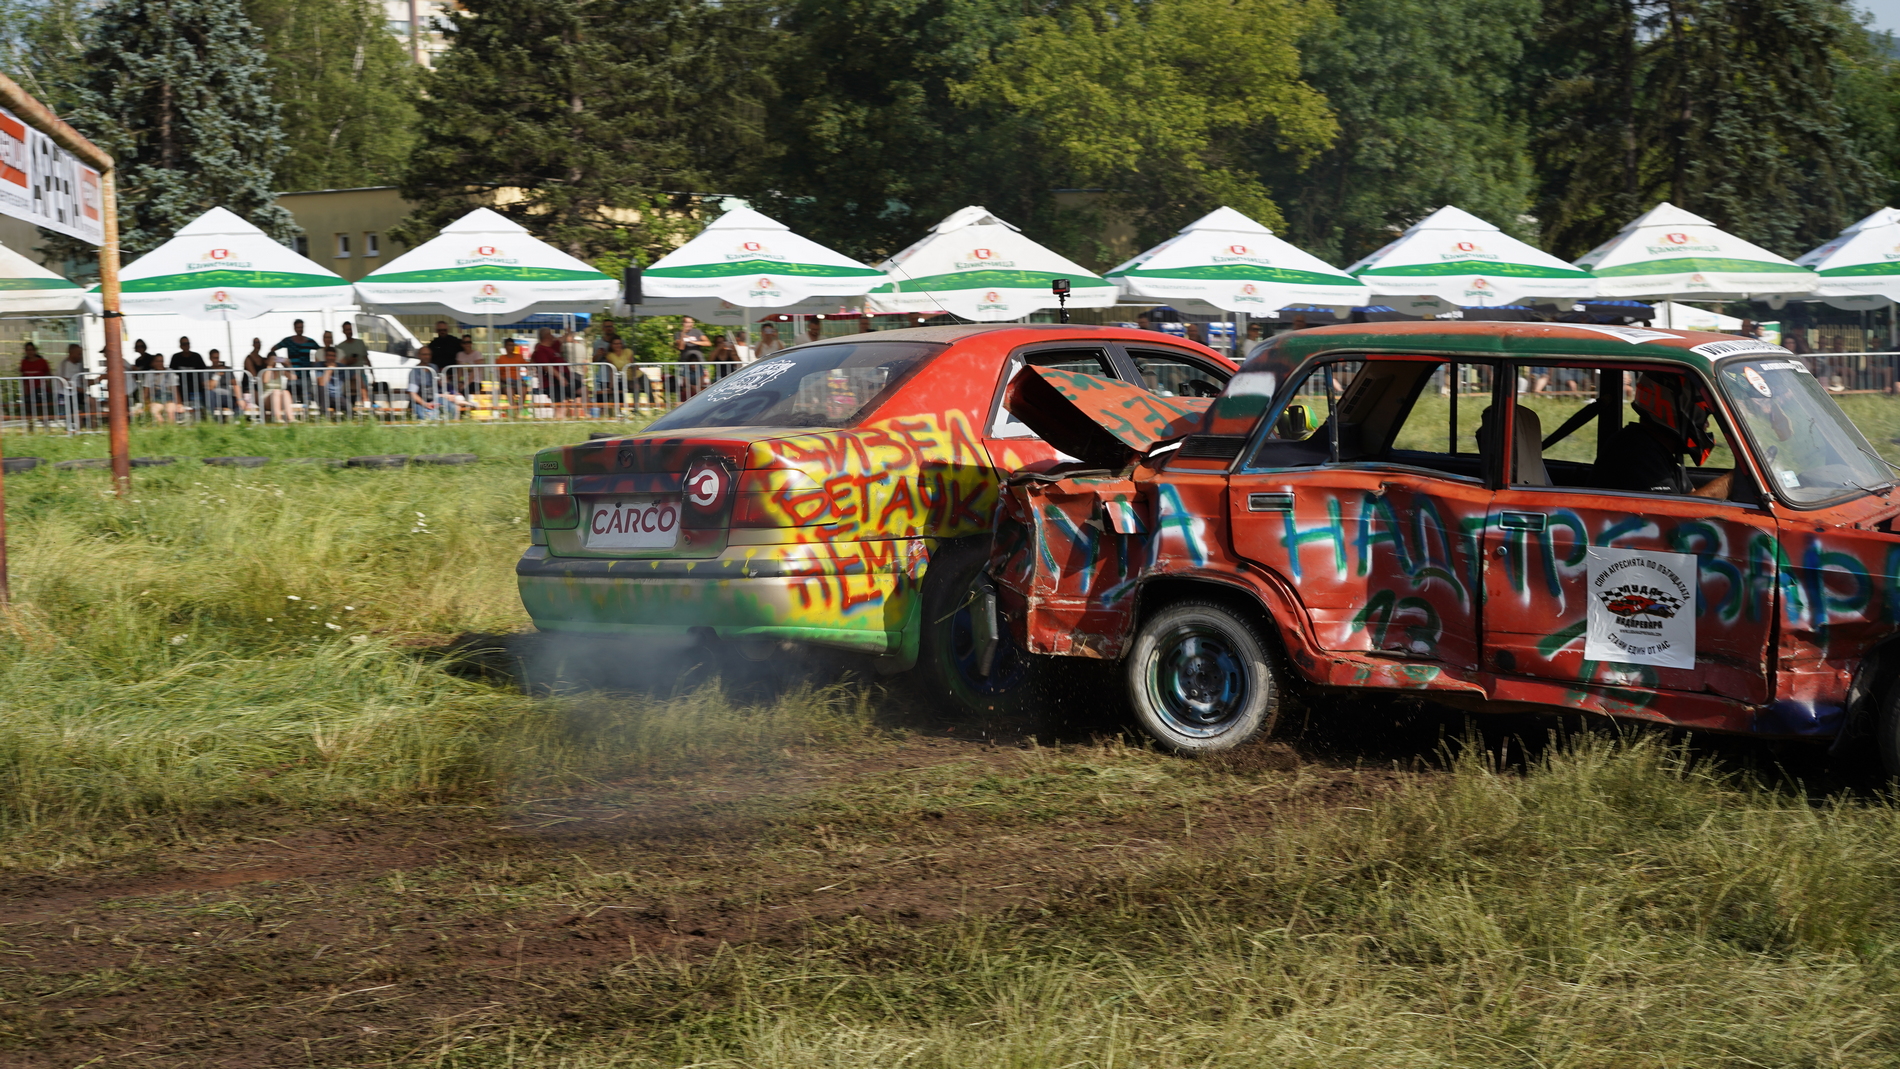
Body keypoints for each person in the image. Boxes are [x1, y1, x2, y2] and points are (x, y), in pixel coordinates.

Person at [1595, 372, 1729, 498]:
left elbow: (1691, 496)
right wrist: (1731, 481)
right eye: (1702, 416)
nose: (1707, 424)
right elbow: (1680, 516)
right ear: (1678, 411)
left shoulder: (1659, 449)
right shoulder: (1635, 453)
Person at [171, 336, 207, 418]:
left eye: (187, 343)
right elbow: (172, 373)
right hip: (181, 388)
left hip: (196, 388)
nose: (186, 346)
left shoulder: (197, 356)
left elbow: (203, 371)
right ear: (180, 346)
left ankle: (198, 421)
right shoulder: (176, 357)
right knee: (182, 407)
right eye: (184, 344)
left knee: (198, 407)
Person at [676, 316, 710, 399]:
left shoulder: (697, 332)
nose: (689, 324)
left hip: (699, 362)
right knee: (686, 385)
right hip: (685, 363)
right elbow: (680, 347)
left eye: (691, 322)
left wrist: (693, 341)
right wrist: (683, 334)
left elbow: (708, 343)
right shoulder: (678, 334)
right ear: (683, 323)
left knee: (701, 385)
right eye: (687, 322)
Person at [258, 353, 295, 423]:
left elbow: (293, 378)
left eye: (275, 359)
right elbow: (265, 381)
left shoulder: (279, 370)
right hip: (266, 397)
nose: (274, 361)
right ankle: (277, 418)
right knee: (276, 391)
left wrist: (288, 365)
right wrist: (270, 365)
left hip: (279, 396)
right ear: (266, 360)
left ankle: (290, 418)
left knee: (285, 392)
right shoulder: (263, 371)